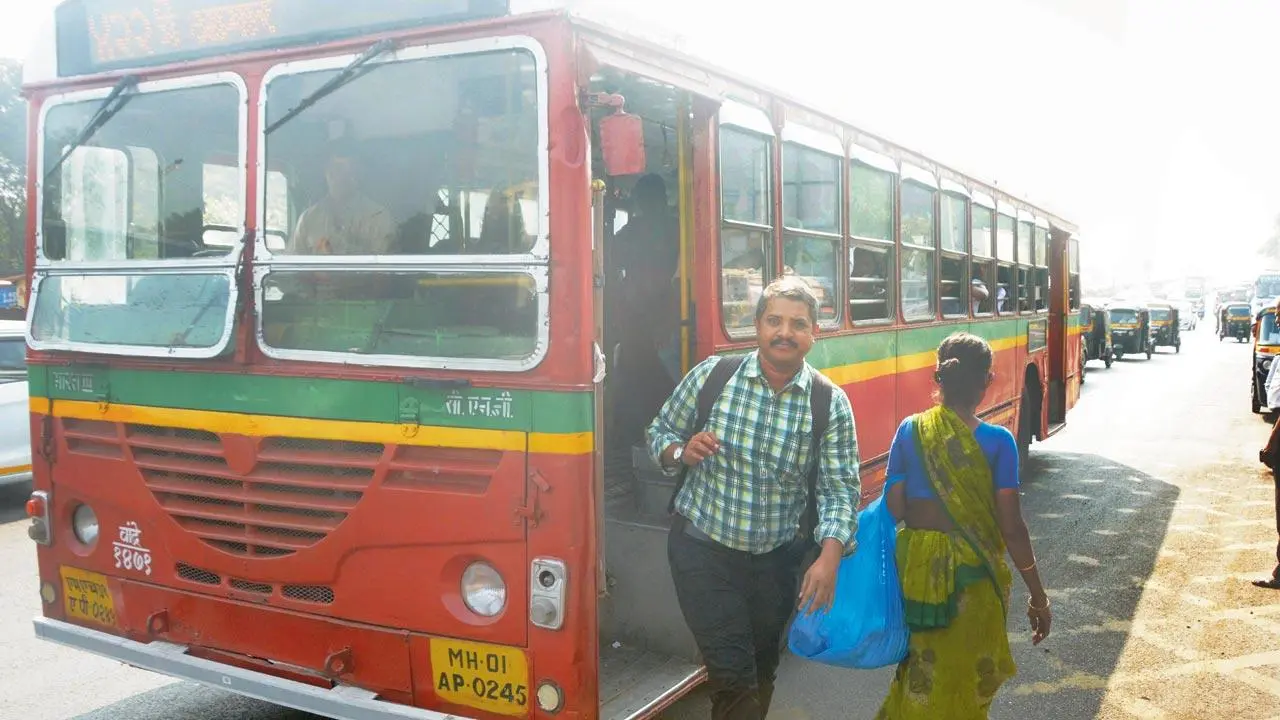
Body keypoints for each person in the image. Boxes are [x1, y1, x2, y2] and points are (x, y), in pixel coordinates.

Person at [648, 277, 860, 720]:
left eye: (798, 324)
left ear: (812, 335)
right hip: (702, 552)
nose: (785, 332)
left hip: (776, 563)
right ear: (757, 326)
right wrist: (679, 451)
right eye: (774, 321)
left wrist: (829, 556)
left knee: (763, 672)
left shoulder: (829, 403)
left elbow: (839, 488)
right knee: (733, 676)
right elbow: (660, 431)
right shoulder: (713, 375)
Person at [878, 332, 1052, 719]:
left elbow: (894, 506)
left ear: (936, 378)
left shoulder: (911, 431)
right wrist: (1038, 596)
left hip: (919, 577)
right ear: (988, 381)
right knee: (967, 681)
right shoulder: (998, 442)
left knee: (922, 675)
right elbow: (1012, 527)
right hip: (973, 579)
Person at [287, 141, 395, 256]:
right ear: (326, 172)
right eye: (337, 169)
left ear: (359, 174)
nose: (342, 177)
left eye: (351, 170)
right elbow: (293, 267)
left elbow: (382, 271)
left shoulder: (378, 217)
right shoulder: (308, 219)